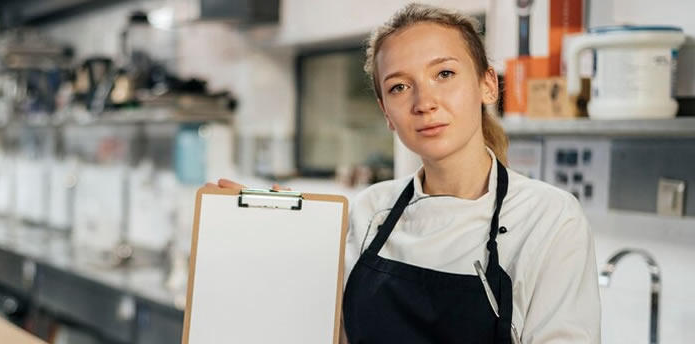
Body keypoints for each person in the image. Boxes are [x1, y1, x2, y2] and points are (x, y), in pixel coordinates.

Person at [209, 3, 600, 343]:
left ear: (488, 86)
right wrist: (263, 242)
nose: (424, 102)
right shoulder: (371, 211)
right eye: (399, 87)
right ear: (386, 114)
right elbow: (328, 331)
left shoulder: (549, 219)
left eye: (444, 74)